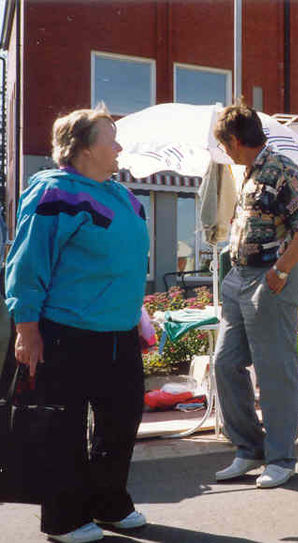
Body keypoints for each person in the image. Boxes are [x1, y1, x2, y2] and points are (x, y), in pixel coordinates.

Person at [4, 105, 150, 542]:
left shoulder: (124, 196)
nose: (119, 146)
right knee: (63, 426)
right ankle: (64, 518)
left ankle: (108, 503)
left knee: (120, 421)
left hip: (119, 333)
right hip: (68, 332)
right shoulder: (53, 193)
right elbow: (27, 263)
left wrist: (138, 316)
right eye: (111, 138)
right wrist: (26, 330)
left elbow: (124, 266)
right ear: (84, 147)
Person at [212, 103, 298, 488]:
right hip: (240, 277)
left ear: (235, 139)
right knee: (225, 364)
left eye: (224, 144)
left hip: (270, 279)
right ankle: (249, 448)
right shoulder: (247, 173)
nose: (224, 151)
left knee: (274, 371)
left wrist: (281, 270)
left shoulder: (281, 169)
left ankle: (280, 457)